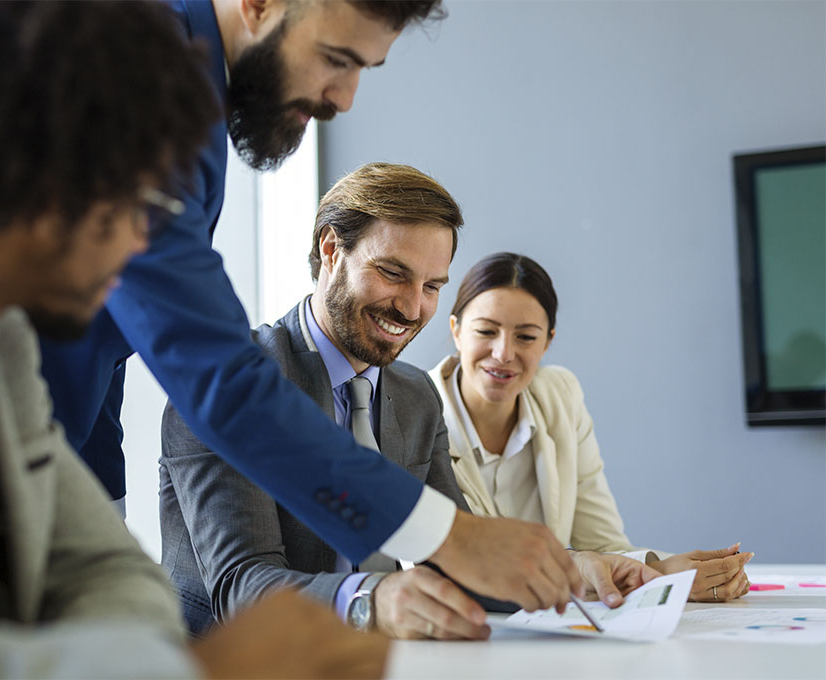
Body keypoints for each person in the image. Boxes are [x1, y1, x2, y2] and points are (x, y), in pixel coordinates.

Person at [0, 3, 389, 678]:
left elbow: (107, 570)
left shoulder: (2, 357)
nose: (143, 243)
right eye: (136, 202)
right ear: (28, 160)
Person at [40, 0, 586, 614]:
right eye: (335, 59)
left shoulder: (191, 93)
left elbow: (102, 326)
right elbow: (214, 373)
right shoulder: (143, 65)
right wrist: (447, 536)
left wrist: (88, 526)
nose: (345, 98)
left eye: (364, 68)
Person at [160, 164, 660, 640]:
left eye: (432, 286)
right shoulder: (230, 382)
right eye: (393, 273)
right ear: (331, 249)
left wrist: (573, 568)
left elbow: (460, 558)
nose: (412, 306)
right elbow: (241, 587)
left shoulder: (416, 394)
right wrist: (370, 602)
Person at [431, 252, 753, 603]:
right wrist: (658, 577)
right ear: (456, 330)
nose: (503, 353)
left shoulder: (560, 395)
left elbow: (602, 544)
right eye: (486, 331)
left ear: (547, 342)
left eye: (525, 337)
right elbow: (469, 561)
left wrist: (662, 571)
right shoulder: (417, 413)